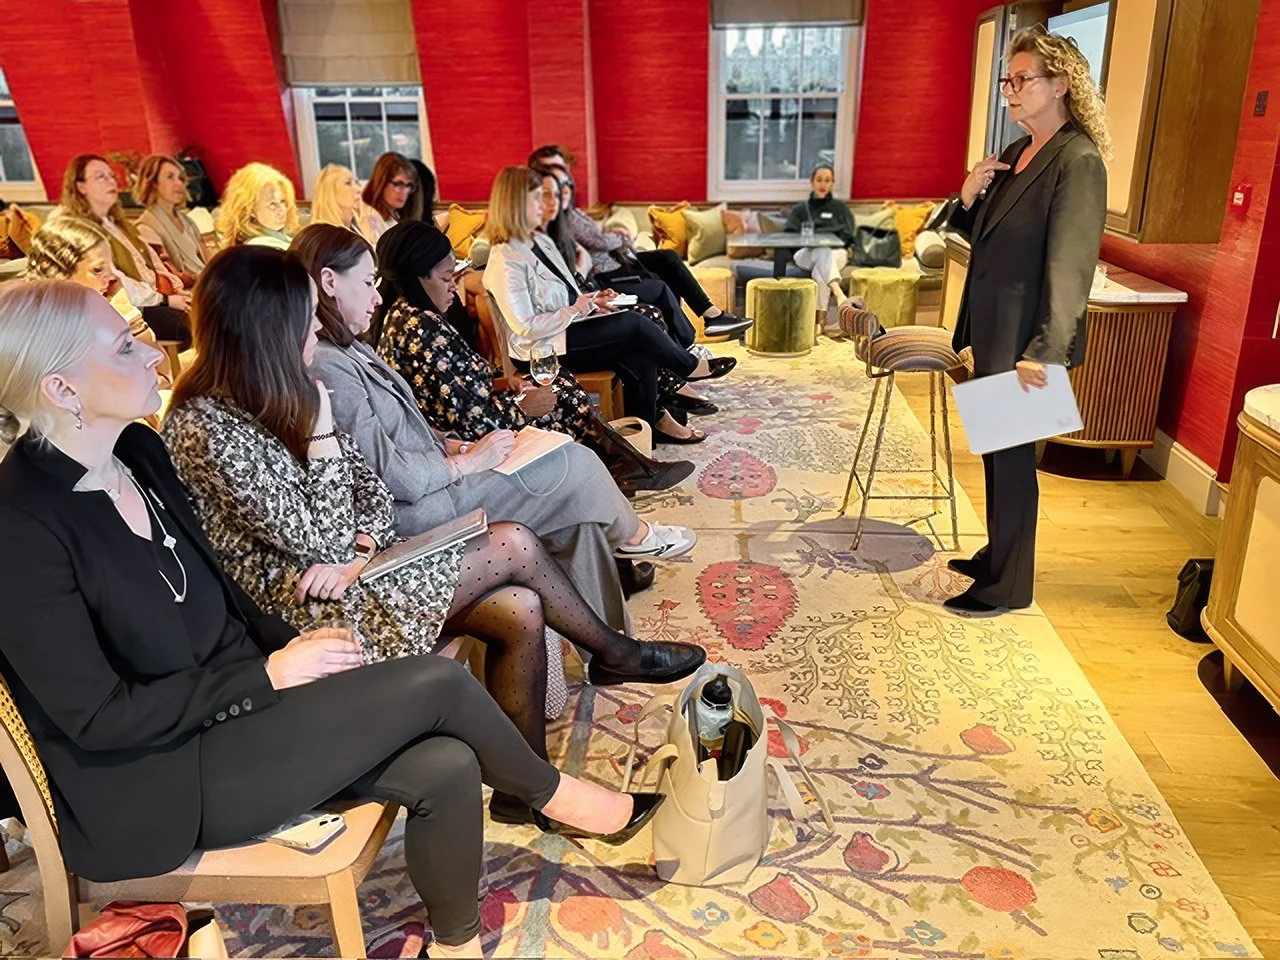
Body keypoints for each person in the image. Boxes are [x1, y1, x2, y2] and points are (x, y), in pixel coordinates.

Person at [0, 278, 669, 958]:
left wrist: (293, 650)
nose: (152, 355)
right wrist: (269, 675)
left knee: (445, 764)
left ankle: (457, 945)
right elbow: (99, 718)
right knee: (436, 684)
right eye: (122, 346)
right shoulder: (20, 528)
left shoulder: (137, 454)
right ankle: (568, 801)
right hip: (161, 776)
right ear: (60, 390)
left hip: (237, 709)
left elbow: (226, 593)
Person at [161, 246, 704, 807]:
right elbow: (312, 538)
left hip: (352, 571)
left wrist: (361, 543)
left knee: (520, 604)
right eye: (304, 325)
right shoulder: (208, 423)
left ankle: (526, 789)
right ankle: (613, 655)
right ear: (266, 330)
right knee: (514, 540)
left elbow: (367, 490)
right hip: (305, 613)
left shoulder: (279, 387)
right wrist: (324, 439)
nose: (311, 337)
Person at [292, 230, 696, 634]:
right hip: (432, 507)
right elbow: (392, 475)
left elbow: (403, 428)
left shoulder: (351, 347)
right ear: (330, 282)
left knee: (581, 519)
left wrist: (449, 443)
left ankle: (611, 646)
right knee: (573, 462)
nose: (377, 297)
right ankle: (635, 534)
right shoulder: (331, 363)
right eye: (367, 283)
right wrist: (467, 461)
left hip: (446, 471)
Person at [943, 26, 1109, 616]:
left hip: (1027, 338)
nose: (1009, 92)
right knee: (996, 451)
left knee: (1013, 461)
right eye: (1006, 81)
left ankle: (1007, 588)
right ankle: (998, 556)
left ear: (1059, 85)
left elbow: (1071, 269)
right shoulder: (1015, 153)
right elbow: (976, 234)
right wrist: (966, 195)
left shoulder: (1078, 160)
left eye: (1021, 80)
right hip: (992, 328)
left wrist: (1046, 351)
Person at [485, 165, 733, 444]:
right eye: (536, 198)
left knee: (641, 349)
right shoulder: (506, 259)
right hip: (541, 349)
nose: (544, 205)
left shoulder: (540, 241)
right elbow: (526, 326)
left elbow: (569, 291)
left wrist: (593, 301)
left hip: (568, 329)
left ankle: (649, 430)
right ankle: (687, 366)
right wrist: (578, 309)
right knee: (635, 324)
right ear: (515, 204)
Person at [370, 219, 595, 440]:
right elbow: (473, 425)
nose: (453, 287)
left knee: (562, 382)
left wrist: (500, 384)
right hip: (483, 438)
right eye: (447, 277)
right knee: (568, 395)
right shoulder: (423, 328)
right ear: (417, 277)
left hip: (482, 412)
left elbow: (451, 389)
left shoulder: (400, 314)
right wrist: (525, 409)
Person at [529, 146, 752, 340]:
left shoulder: (569, 209)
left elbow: (598, 236)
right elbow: (599, 241)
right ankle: (687, 343)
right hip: (606, 273)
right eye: (552, 171)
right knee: (661, 282)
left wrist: (612, 235)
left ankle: (710, 316)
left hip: (614, 261)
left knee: (668, 259)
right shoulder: (554, 215)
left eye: (563, 171)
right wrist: (620, 236)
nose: (561, 179)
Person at [50, 154, 191, 347]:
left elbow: (149, 262)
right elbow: (117, 283)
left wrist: (172, 283)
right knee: (192, 323)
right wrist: (166, 300)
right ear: (80, 186)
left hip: (154, 297)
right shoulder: (78, 230)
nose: (110, 181)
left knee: (209, 311)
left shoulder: (115, 222)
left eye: (111, 176)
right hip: (129, 310)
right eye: (101, 177)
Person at [22, 217, 156, 352]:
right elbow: (157, 367)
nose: (112, 277)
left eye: (111, 267)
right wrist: (133, 325)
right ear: (61, 275)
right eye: (97, 270)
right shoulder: (53, 329)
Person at [783, 163, 857, 331]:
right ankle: (839, 294)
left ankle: (820, 322)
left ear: (832, 183)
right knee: (821, 253)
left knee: (821, 265)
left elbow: (849, 233)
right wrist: (805, 240)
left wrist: (834, 242)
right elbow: (789, 235)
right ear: (812, 182)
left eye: (827, 180)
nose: (823, 184)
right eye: (819, 180)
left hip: (836, 252)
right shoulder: (801, 209)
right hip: (806, 253)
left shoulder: (840, 208)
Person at [134, 154, 211, 279]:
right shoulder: (145, 227)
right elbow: (165, 276)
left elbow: (208, 258)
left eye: (180, 178)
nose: (179, 183)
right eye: (170, 177)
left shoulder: (188, 221)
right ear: (153, 183)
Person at [214, 162, 299, 250]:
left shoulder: (277, 237)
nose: (282, 210)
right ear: (250, 210)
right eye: (272, 204)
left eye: (283, 201)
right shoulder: (262, 248)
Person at [357, 152, 423, 244]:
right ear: (381, 182)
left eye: (409, 185)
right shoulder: (370, 219)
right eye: (398, 184)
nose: (404, 191)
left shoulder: (395, 213)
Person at [308, 164, 365, 236]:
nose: (359, 189)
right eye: (348, 183)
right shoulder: (322, 236)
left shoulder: (358, 227)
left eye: (357, 182)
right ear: (329, 192)